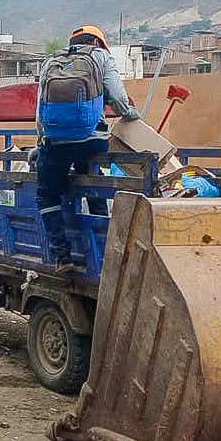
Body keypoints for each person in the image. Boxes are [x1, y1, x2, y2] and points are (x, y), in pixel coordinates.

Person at [34, 25, 141, 274]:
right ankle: (103, 249)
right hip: (93, 141)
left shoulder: (50, 61)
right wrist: (129, 114)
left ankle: (62, 256)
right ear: (96, 42)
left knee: (47, 195)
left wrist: (42, 142)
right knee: (95, 184)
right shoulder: (101, 57)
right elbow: (118, 97)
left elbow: (40, 109)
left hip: (57, 142)